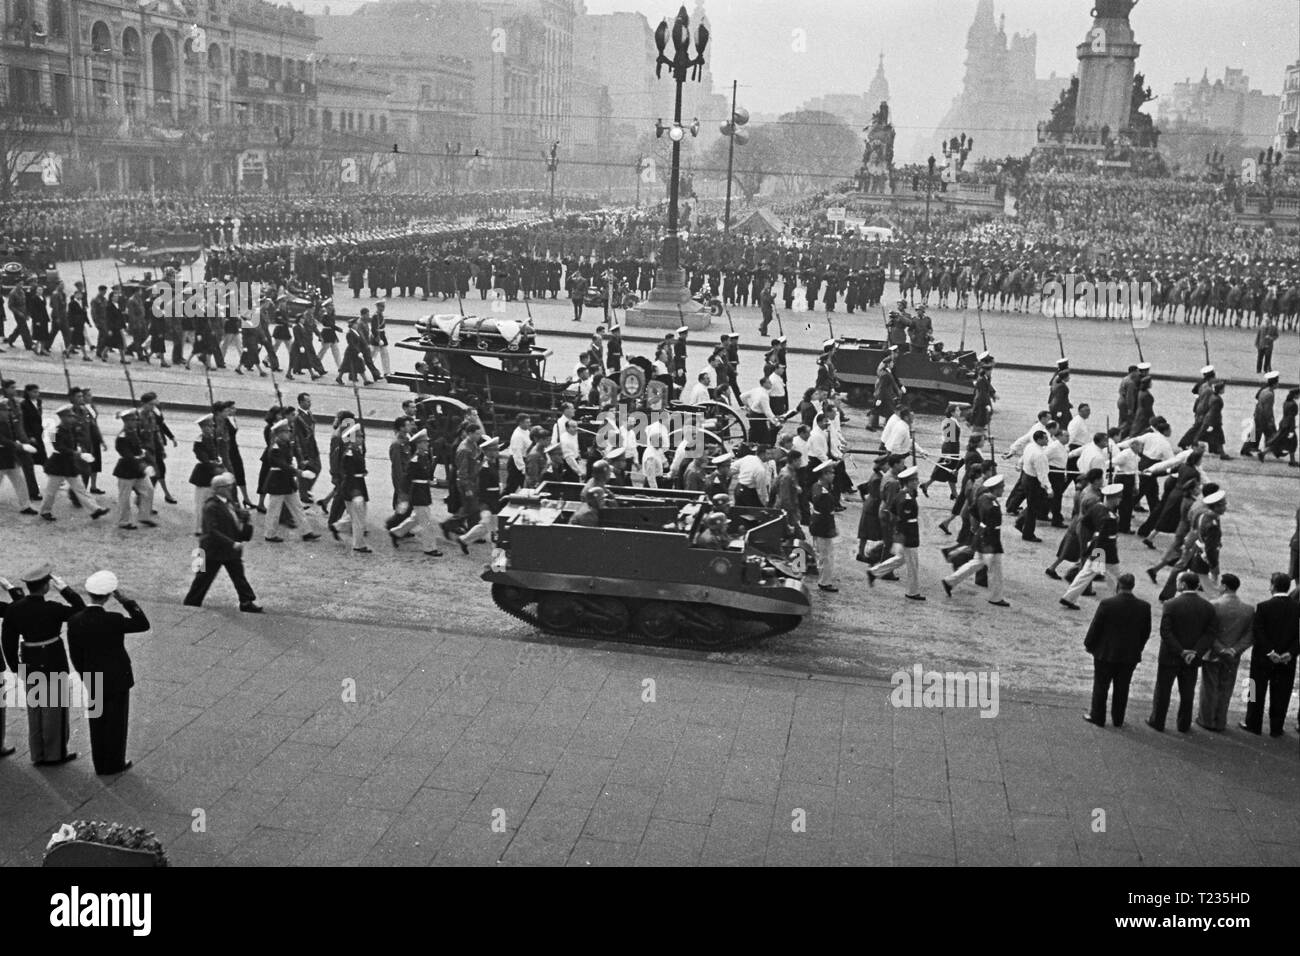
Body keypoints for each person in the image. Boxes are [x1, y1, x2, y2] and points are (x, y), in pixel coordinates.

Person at [0, 562, 84, 765]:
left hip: (29, 661)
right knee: (55, 710)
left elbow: (8, 641)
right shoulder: (52, 608)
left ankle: (37, 753)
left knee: (35, 711)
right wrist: (65, 590)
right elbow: (80, 610)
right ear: (46, 586)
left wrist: (16, 668)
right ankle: (54, 754)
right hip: (53, 661)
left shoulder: (15, 609)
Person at [66, 570, 149, 775]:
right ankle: (115, 762)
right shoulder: (113, 619)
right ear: (109, 595)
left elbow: (75, 655)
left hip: (93, 677)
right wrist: (127, 602)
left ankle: (100, 762)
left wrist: (85, 676)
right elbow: (142, 624)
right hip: (117, 676)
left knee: (97, 722)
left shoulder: (75, 620)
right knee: (117, 722)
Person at [1147, 571, 1216, 734]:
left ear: (1183, 584)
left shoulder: (1171, 604)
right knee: (1187, 692)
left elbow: (1166, 632)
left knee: (1163, 690)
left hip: (1170, 656)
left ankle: (1158, 721)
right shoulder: (1207, 607)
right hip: (1192, 658)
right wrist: (1195, 652)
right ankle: (1183, 724)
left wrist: (1181, 651)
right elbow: (1210, 634)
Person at [184, 472, 261, 612]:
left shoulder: (229, 503)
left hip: (227, 549)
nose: (230, 489)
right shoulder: (210, 506)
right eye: (227, 487)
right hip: (210, 550)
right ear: (218, 488)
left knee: (239, 576)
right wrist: (232, 543)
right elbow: (212, 531)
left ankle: (246, 601)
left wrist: (246, 523)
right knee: (201, 579)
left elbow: (234, 522)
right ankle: (190, 603)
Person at [1081, 572, 1151, 727]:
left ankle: (1097, 716)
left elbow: (1096, 627)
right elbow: (1146, 633)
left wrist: (1089, 644)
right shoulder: (1144, 607)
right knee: (1123, 687)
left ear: (1119, 585)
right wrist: (1138, 648)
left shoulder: (1107, 603)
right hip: (1129, 655)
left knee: (1101, 685)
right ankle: (1118, 718)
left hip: (1106, 652)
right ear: (1132, 586)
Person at [1239, 572, 1300, 737]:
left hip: (1262, 657)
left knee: (1253, 688)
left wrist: (1269, 651)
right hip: (1287, 658)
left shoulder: (1263, 606)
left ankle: (1252, 722)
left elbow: (1258, 631)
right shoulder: (1297, 608)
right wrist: (1291, 652)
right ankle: (1276, 727)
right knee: (1282, 693)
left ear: (1273, 586)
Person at [1195, 573, 1253, 732]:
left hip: (1213, 654)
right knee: (1226, 688)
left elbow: (1208, 632)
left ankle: (1206, 719)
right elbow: (1249, 636)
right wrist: (1234, 649)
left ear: (1225, 586)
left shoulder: (1213, 605)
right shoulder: (1248, 610)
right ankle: (1220, 720)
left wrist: (1220, 648)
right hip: (1233, 656)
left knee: (1209, 687)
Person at [943, 473, 1010, 607]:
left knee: (976, 563)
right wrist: (991, 545)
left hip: (982, 536)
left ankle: (950, 581)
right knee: (995, 570)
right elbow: (989, 526)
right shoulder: (992, 505)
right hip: (990, 539)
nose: (1003, 489)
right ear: (995, 488)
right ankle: (996, 597)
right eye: (1001, 487)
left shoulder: (983, 499)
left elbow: (973, 511)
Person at [38, 404, 108, 521]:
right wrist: (77, 454)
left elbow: (77, 442)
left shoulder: (72, 429)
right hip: (58, 463)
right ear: (63, 417)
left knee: (80, 489)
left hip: (70, 464)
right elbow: (59, 448)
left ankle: (95, 509)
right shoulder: (53, 431)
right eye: (70, 416)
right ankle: (45, 511)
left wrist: (79, 450)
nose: (73, 419)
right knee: (51, 491)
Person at [1060, 483, 1123, 610]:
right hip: (1105, 552)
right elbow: (1108, 540)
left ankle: (1068, 597)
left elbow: (1085, 523)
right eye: (1118, 497)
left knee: (1086, 574)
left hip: (1096, 549)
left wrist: (1090, 542)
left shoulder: (1097, 508)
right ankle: (1119, 601)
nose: (1120, 500)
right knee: (1116, 576)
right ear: (1113, 499)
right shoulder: (1110, 518)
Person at [866, 466, 924, 600]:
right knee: (913, 564)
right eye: (915, 480)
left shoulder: (901, 495)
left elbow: (892, 512)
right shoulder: (907, 499)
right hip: (908, 534)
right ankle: (912, 591)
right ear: (908, 482)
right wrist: (904, 537)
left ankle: (874, 572)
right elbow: (903, 519)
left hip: (903, 532)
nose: (917, 482)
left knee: (901, 559)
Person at [111, 408, 156, 530]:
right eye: (132, 420)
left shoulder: (133, 431)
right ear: (125, 421)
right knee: (124, 497)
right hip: (126, 469)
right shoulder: (122, 437)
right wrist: (144, 466)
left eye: (135, 420)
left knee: (148, 490)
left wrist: (143, 453)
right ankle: (123, 521)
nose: (135, 422)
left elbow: (138, 448)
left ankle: (144, 516)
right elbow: (128, 456)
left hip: (137, 469)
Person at [808, 460, 839, 593]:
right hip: (823, 526)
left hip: (817, 523)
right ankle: (825, 582)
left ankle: (823, 578)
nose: (833, 475)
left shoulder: (818, 487)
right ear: (824, 475)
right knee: (826, 555)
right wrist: (831, 529)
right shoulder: (823, 493)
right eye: (831, 473)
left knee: (822, 553)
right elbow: (827, 514)